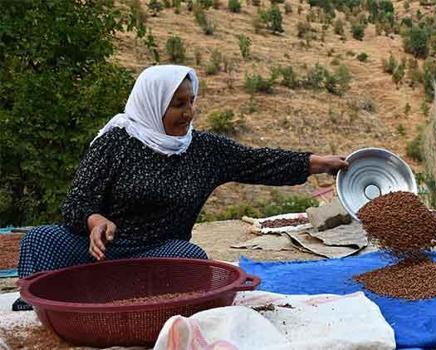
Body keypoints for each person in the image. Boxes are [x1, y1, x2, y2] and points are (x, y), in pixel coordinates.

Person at [13, 65, 348, 310]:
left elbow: (260, 161)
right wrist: (95, 221)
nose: (188, 113)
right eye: (177, 104)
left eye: (191, 102)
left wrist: (320, 162)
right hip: (97, 252)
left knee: (190, 257)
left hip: (156, 254)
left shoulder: (203, 150)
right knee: (41, 240)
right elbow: (77, 201)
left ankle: (117, 301)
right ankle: (46, 312)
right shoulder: (116, 142)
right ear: (154, 103)